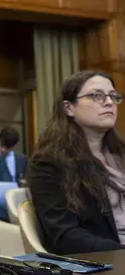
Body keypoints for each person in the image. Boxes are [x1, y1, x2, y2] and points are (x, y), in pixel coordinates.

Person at [28, 70, 125, 254]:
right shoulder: (49, 162)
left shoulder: (121, 152)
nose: (109, 102)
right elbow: (66, 236)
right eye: (97, 96)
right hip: (107, 263)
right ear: (69, 108)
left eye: (113, 96)